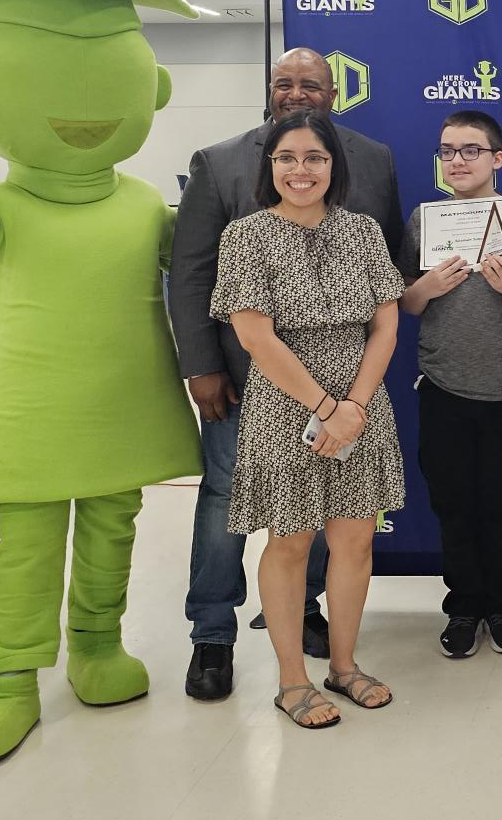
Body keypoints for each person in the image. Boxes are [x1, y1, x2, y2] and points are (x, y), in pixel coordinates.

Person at [0, 0, 202, 767]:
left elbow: (200, 259)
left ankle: (95, 644)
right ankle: (8, 680)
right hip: (35, 407)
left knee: (115, 525)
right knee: (31, 538)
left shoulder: (145, 204)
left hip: (124, 398)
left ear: (148, 90)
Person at [170, 47, 403, 701]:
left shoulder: (364, 205)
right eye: (288, 158)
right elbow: (221, 302)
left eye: (315, 158)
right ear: (270, 163)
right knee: (262, 524)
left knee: (352, 537)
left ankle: (337, 657)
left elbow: (386, 314)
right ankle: (233, 648)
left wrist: (353, 405)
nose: (302, 169)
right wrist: (206, 367)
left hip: (359, 400)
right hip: (268, 394)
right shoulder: (236, 207)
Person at [399, 110, 502, 658]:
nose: (457, 160)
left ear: (497, 158)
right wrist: (428, 287)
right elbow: (404, 305)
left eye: (470, 150)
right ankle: (463, 606)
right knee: (454, 505)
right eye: (447, 151)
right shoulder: (423, 220)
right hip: (444, 386)